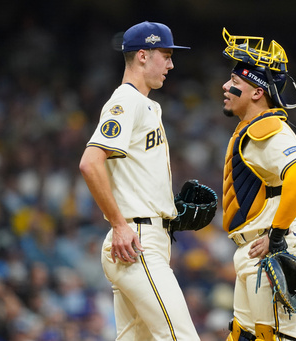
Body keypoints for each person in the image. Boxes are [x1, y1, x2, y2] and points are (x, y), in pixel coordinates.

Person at [79, 21, 200, 341]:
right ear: (143, 55)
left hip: (148, 235)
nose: (171, 64)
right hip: (136, 239)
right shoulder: (126, 100)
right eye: (166, 54)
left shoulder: (147, 104)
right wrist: (119, 224)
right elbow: (90, 163)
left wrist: (168, 209)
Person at [220, 28, 296, 341]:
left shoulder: (269, 128)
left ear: (257, 92)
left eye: (235, 83)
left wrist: (277, 236)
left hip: (272, 249)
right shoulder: (250, 129)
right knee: (243, 336)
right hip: (254, 251)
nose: (226, 86)